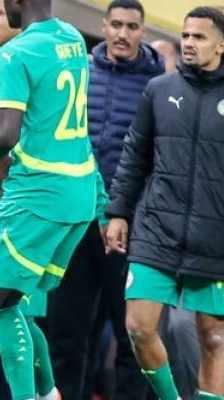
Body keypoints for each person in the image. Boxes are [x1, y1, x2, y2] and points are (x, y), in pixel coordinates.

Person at [104, 7, 224, 400]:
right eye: (185, 35)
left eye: (199, 37)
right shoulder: (158, 91)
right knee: (138, 327)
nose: (188, 43)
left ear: (222, 45)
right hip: (156, 232)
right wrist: (117, 213)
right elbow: (134, 157)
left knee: (213, 338)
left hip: (218, 238)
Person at [0, 0, 105, 398]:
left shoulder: (16, 53)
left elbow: (7, 133)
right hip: (79, 192)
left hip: (37, 193)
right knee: (7, 302)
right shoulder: (73, 38)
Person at [45, 2, 161, 399]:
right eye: (116, 25)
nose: (123, 34)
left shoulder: (158, 84)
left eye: (132, 26)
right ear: (104, 27)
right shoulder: (82, 72)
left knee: (132, 335)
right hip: (76, 220)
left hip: (129, 227)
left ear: (143, 32)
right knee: (66, 333)